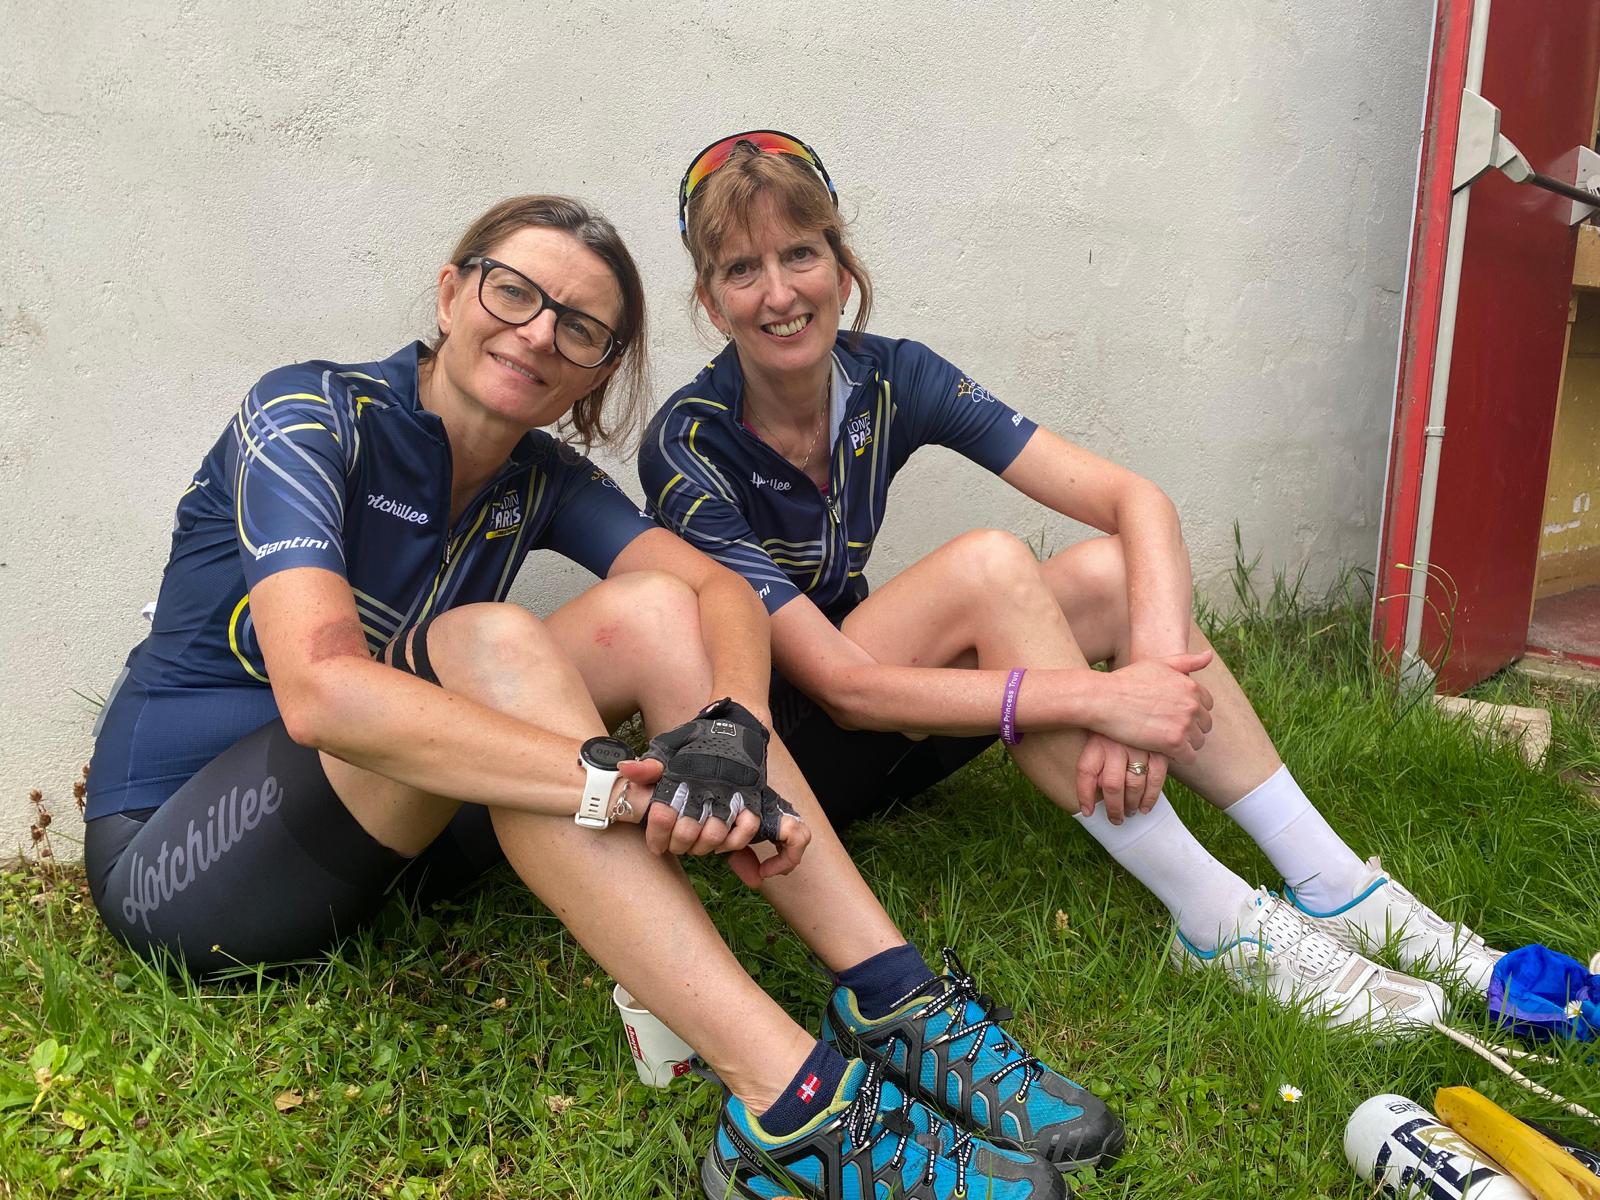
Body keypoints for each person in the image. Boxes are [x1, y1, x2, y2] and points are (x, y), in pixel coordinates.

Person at [82, 195, 1110, 1200]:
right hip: (192, 864)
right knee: (486, 639)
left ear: (599, 371)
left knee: (660, 608)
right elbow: (323, 700)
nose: (536, 333)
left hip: (398, 843)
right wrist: (624, 791)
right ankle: (785, 1105)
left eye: (579, 327)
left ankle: (894, 995)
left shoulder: (540, 479)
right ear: (450, 293)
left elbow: (720, 593)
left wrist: (733, 733)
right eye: (512, 293)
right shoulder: (310, 413)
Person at [643, 130, 1507, 1044]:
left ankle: (1335, 883)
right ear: (709, 299)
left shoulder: (891, 374)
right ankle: (1213, 920)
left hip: (900, 717)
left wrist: (1160, 678)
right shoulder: (686, 442)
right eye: (743, 269)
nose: (779, 292)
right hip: (791, 760)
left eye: (800, 253)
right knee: (988, 564)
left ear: (840, 261)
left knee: (1108, 571)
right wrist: (1105, 697)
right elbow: (847, 693)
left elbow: (1136, 501)